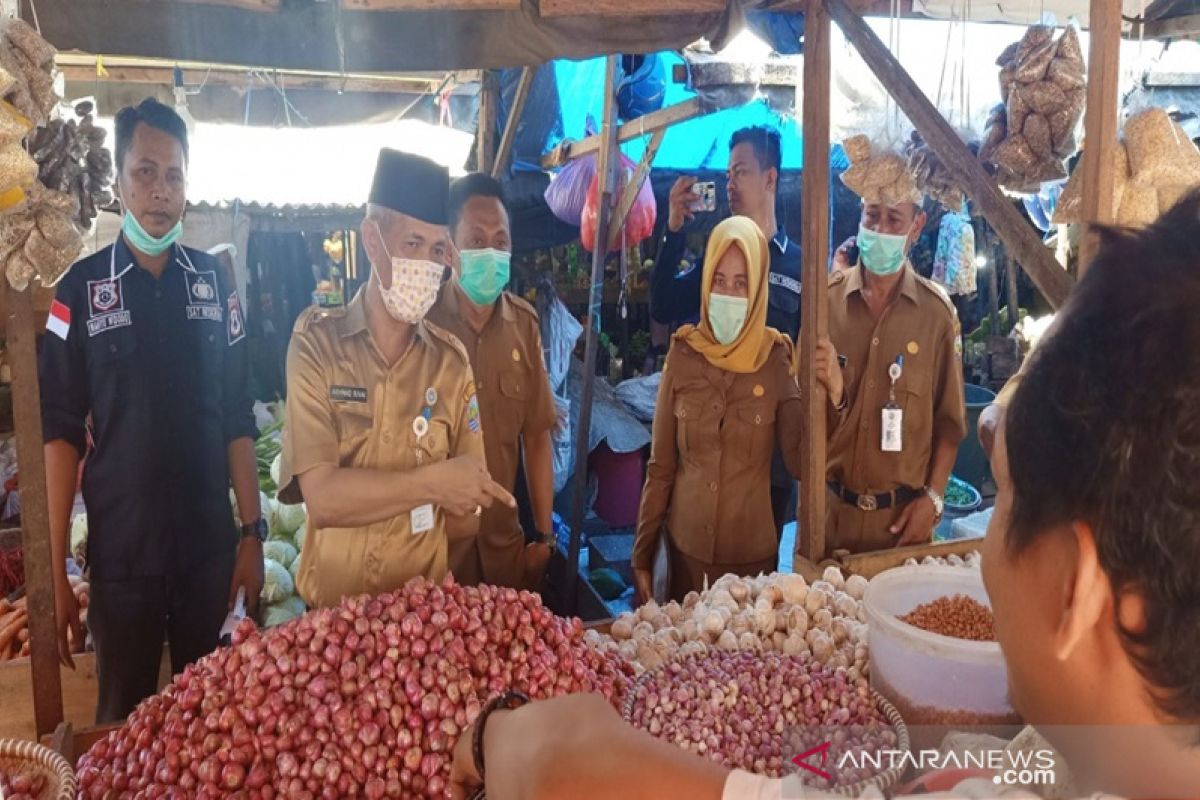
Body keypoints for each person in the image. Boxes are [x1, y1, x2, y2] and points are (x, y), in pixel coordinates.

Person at [448, 190, 1200, 800]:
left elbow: (590, 767)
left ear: (1076, 591)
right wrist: (964, 771)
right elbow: (1038, 767)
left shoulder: (808, 351)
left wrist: (558, 752)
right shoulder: (1099, 758)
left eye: (1003, 499)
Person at [39, 98, 263, 722]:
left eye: (173, 175)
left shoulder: (215, 286)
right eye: (144, 172)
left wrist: (252, 534)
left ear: (188, 186)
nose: (159, 191)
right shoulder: (78, 292)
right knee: (122, 735)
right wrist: (55, 572)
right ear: (118, 181)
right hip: (122, 568)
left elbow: (237, 416)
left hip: (208, 558)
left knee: (211, 732)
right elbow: (59, 433)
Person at [277, 150, 515, 608]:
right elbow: (324, 500)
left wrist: (437, 496)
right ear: (371, 239)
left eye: (438, 249)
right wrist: (432, 485)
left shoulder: (451, 363)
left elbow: (466, 514)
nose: (427, 265)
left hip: (417, 629)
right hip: (329, 631)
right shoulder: (316, 347)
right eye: (412, 244)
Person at [633, 217, 802, 603]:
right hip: (683, 557)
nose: (728, 293)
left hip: (751, 568)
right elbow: (660, 468)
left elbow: (799, 463)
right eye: (719, 281)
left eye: (742, 283)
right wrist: (641, 555)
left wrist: (827, 394)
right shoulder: (683, 353)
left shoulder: (776, 359)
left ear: (758, 288)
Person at [650, 125, 802, 543]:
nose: (730, 183)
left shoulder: (801, 270)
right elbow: (663, 305)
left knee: (756, 589)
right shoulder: (721, 257)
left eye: (741, 172)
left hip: (767, 462)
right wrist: (675, 230)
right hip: (707, 449)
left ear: (770, 178)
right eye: (728, 174)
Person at [813, 194, 967, 559]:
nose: (880, 229)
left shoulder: (936, 317)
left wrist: (933, 499)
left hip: (902, 530)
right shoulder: (825, 304)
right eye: (872, 216)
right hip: (831, 522)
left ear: (917, 226)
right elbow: (801, 415)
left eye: (894, 220)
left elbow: (950, 425)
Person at [426, 173, 557, 590]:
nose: (490, 251)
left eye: (500, 241)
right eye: (477, 240)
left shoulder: (524, 326)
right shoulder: (419, 325)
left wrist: (544, 537)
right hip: (436, 558)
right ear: (449, 248)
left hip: (507, 554)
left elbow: (537, 436)